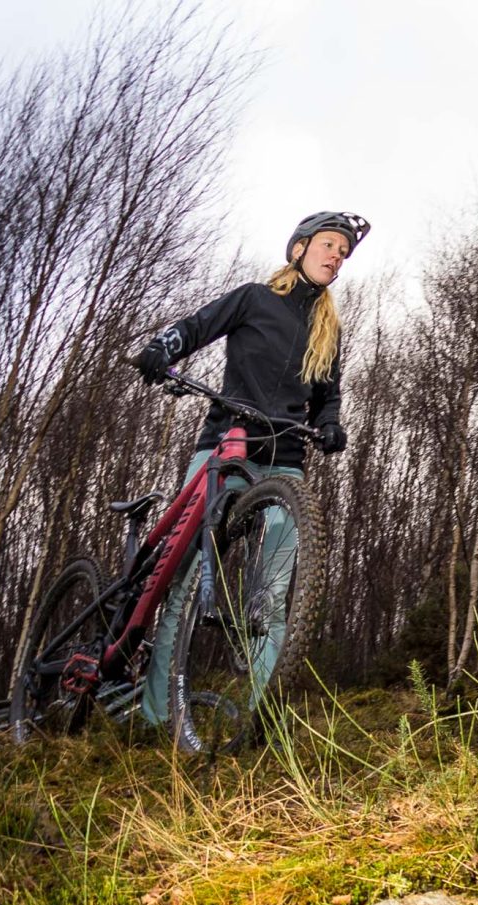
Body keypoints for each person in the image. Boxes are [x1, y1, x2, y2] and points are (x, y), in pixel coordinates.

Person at [128, 209, 365, 719]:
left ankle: (260, 716)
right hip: (226, 445)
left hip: (285, 462)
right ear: (299, 248)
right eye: (329, 245)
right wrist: (161, 348)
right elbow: (197, 327)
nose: (336, 257)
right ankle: (155, 715)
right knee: (184, 578)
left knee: (272, 595)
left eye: (343, 253)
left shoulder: (328, 331)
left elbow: (328, 395)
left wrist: (331, 423)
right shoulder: (254, 299)